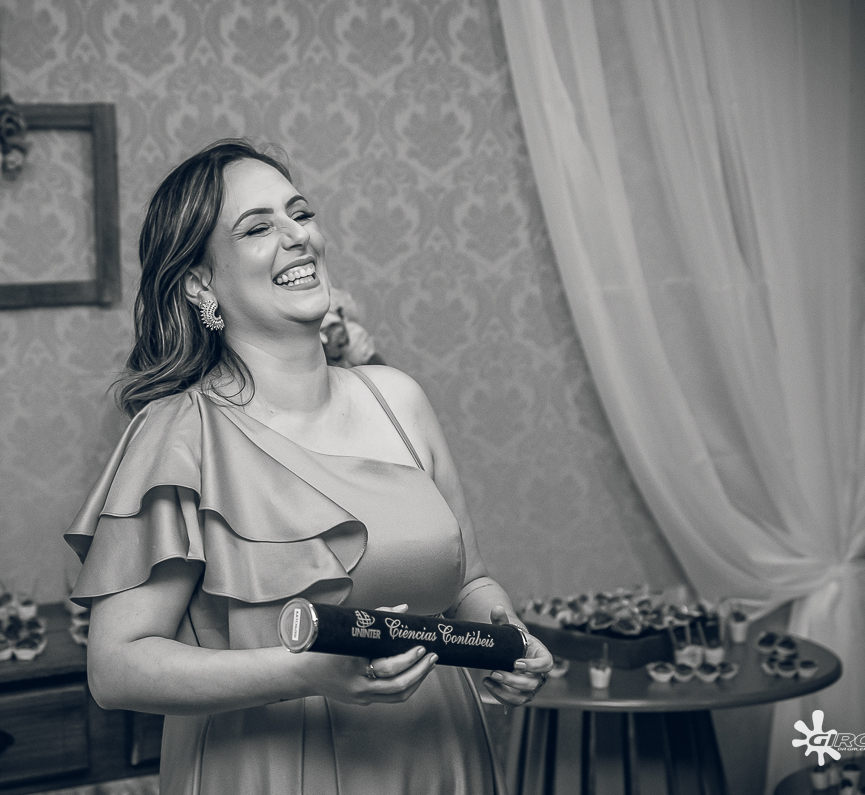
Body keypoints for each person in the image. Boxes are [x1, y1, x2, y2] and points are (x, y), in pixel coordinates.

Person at [65, 139, 552, 794]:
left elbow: (470, 582)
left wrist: (506, 636)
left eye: (299, 214)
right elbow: (116, 670)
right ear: (199, 283)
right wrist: (304, 671)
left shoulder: (399, 399)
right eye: (257, 228)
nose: (297, 236)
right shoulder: (176, 436)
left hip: (438, 753)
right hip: (268, 771)